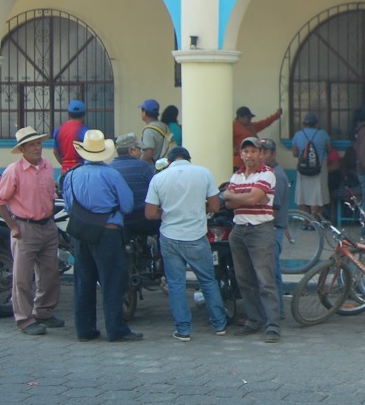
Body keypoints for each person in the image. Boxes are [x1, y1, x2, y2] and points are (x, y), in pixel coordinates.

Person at [63, 129, 141, 342]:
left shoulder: (71, 175)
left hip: (80, 233)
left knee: (83, 282)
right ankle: (116, 329)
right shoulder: (111, 174)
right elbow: (127, 204)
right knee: (112, 282)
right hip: (107, 233)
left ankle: (85, 329)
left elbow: (69, 205)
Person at [144, 146, 228, 341]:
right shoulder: (204, 173)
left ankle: (183, 330)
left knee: (176, 285)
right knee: (208, 281)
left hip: (170, 237)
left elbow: (149, 213)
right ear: (189, 159)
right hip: (196, 236)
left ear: (170, 161)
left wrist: (164, 213)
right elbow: (215, 206)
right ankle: (219, 324)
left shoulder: (159, 178)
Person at [0, 128, 62, 336]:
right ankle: (24, 319)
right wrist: (13, 227)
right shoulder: (14, 170)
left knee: (50, 274)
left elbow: (51, 194)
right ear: (22, 149)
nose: (37, 148)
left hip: (47, 225)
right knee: (22, 278)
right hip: (24, 227)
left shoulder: (48, 166)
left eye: (39, 143)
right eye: (32, 145)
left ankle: (43, 312)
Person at [223, 136, 280, 343]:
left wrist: (237, 197)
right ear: (241, 154)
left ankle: (272, 325)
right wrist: (248, 197)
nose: (249, 155)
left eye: (253, 151)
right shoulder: (236, 175)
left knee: (265, 280)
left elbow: (249, 199)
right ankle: (254, 319)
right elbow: (227, 203)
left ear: (260, 154)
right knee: (244, 279)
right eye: (245, 152)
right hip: (239, 230)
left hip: (260, 230)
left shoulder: (267, 174)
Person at [261, 138, 291, 318]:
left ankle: (276, 309)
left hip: (273, 228)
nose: (261, 156)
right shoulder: (266, 173)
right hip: (270, 227)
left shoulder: (276, 175)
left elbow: (274, 208)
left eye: (265, 153)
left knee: (271, 271)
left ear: (273, 154)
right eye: (260, 152)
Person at [110, 133, 158, 238]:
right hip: (144, 220)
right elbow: (155, 191)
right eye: (138, 149)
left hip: (120, 220)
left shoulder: (109, 168)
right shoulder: (143, 166)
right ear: (131, 150)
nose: (141, 152)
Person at [290, 113, 331, 223]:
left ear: (304, 123)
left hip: (303, 169)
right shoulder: (323, 134)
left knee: (302, 195)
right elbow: (329, 150)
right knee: (316, 195)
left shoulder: (298, 135)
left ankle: (305, 221)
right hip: (319, 168)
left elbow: (294, 153)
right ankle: (314, 222)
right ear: (316, 123)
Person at [232, 106, 282, 170]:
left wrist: (276, 115)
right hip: (238, 164)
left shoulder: (250, 126)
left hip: (250, 162)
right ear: (240, 117)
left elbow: (264, 123)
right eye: (248, 117)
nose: (250, 119)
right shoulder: (234, 127)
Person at [52, 99, 89, 184]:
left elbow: (55, 151)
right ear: (84, 115)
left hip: (64, 172)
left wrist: (64, 163)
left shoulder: (58, 130)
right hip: (81, 171)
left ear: (68, 114)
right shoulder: (85, 131)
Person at [139, 99, 172, 164]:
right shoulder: (164, 126)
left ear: (144, 113)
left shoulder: (149, 130)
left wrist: (139, 163)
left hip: (155, 168)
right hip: (165, 164)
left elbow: (148, 153)